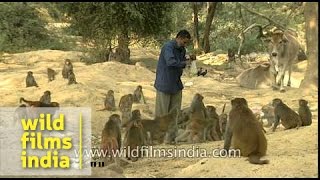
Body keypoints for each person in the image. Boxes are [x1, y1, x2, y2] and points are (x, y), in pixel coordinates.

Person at [154, 29, 193, 117]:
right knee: (162, 114)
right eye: (184, 42)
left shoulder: (182, 49)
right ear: (179, 38)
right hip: (165, 83)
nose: (185, 45)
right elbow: (170, 62)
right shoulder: (168, 47)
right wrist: (184, 63)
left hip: (176, 83)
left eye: (187, 43)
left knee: (174, 113)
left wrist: (189, 59)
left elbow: (181, 62)